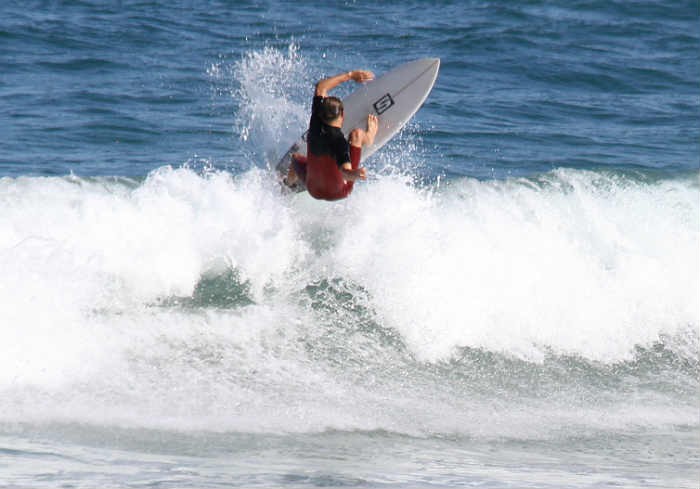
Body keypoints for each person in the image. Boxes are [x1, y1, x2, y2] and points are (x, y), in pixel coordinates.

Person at [286, 69, 378, 201]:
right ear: (342, 115)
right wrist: (356, 174)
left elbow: (321, 87)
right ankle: (369, 138)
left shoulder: (315, 121)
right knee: (357, 135)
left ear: (321, 112)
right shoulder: (339, 142)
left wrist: (350, 75)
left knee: (295, 157)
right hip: (340, 192)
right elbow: (345, 173)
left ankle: (287, 185)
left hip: (313, 189)